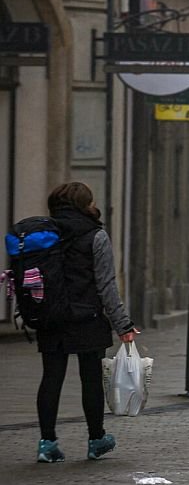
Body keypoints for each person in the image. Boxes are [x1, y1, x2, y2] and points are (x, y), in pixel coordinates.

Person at [29, 182, 137, 463]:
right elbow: (106, 285)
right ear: (85, 204)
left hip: (51, 317)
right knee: (90, 380)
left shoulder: (44, 233)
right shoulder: (95, 236)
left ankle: (47, 443)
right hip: (87, 317)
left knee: (51, 378)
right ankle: (96, 439)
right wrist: (122, 325)